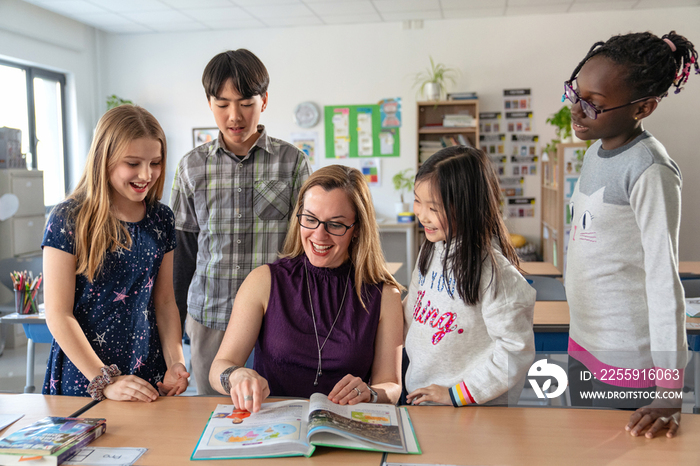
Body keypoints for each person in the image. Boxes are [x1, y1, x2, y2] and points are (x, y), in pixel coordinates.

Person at [563, 31, 698, 439]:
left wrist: (670, 389)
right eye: (575, 92)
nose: (576, 109)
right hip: (583, 347)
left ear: (644, 106)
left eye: (593, 103)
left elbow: (662, 281)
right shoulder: (593, 153)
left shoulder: (650, 169)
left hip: (629, 362)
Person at [171, 49, 311, 394]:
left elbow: (305, 246)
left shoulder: (292, 163)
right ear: (209, 103)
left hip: (277, 319)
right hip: (211, 316)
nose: (234, 115)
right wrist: (173, 329)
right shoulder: (191, 166)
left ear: (263, 100)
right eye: (222, 104)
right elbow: (183, 251)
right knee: (214, 418)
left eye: (246, 102)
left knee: (279, 409)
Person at [209, 165, 403, 412]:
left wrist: (372, 393)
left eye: (335, 224)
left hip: (346, 426)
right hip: (272, 426)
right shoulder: (263, 281)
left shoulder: (384, 294)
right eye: (310, 219)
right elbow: (218, 368)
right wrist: (235, 376)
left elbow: (392, 386)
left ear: (357, 229)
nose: (319, 236)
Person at [42, 105, 189, 401]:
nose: (146, 174)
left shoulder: (161, 219)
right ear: (103, 159)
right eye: (133, 163)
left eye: (156, 163)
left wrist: (176, 361)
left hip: (146, 369)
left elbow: (164, 302)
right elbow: (58, 314)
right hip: (86, 375)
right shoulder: (68, 218)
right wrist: (104, 380)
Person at [403, 146, 535, 407]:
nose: (421, 214)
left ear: (467, 207)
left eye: (433, 207)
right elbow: (412, 309)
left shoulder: (494, 273)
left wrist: (456, 394)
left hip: (472, 406)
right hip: (426, 400)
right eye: (418, 200)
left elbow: (515, 352)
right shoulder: (431, 249)